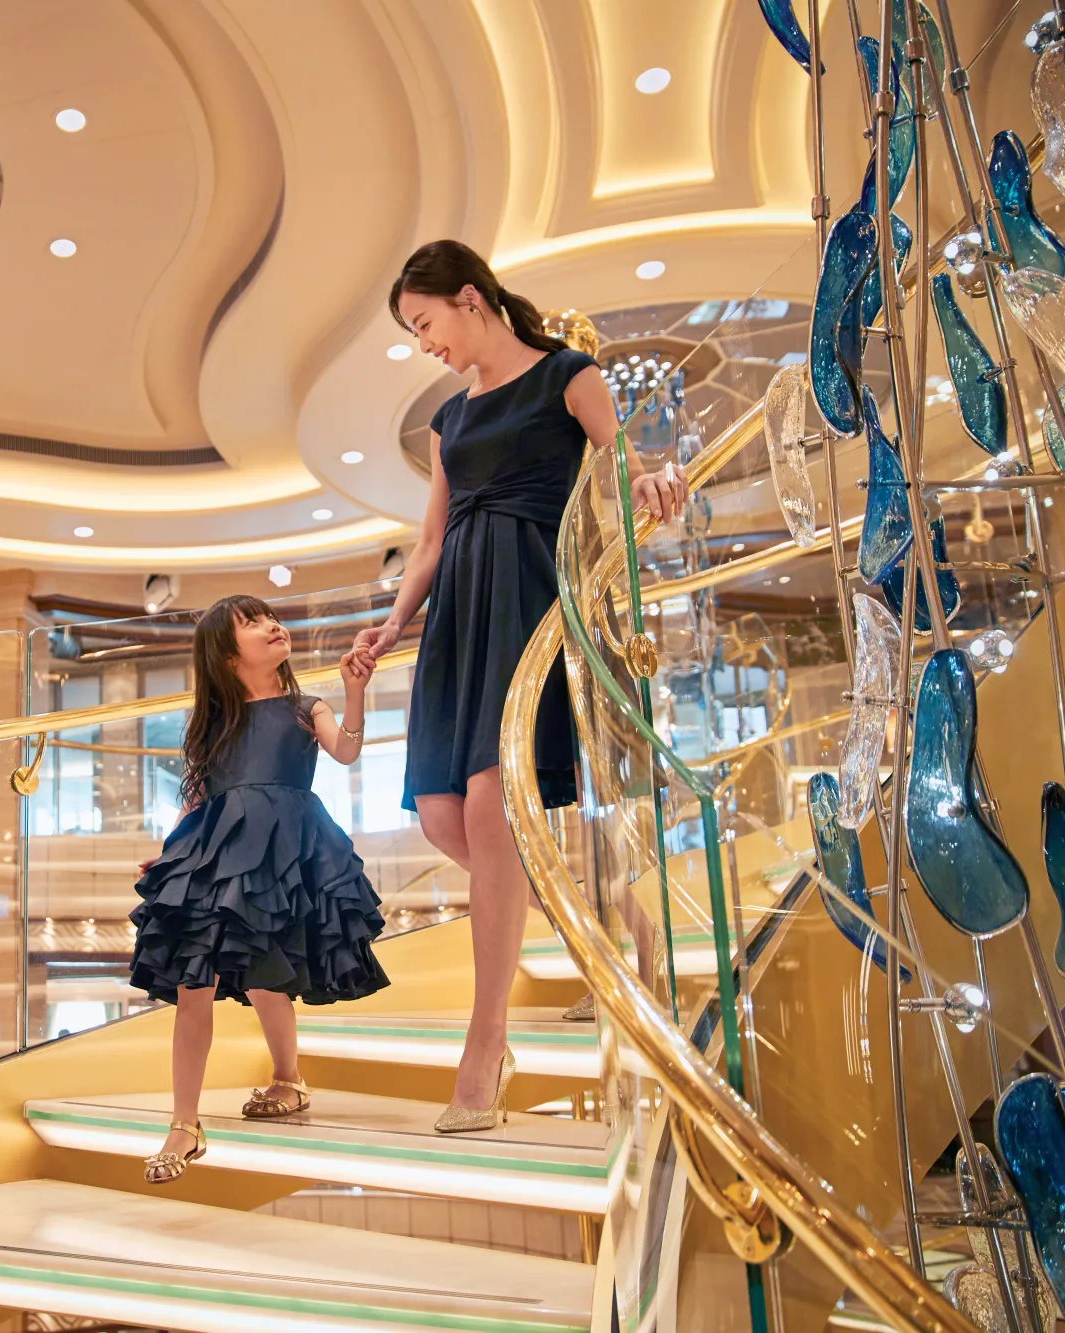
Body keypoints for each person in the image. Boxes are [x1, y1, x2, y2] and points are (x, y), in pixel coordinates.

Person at [351, 240, 688, 1133]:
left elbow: (620, 471)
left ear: (471, 298)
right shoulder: (448, 421)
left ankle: (487, 1043)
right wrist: (394, 622)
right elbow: (431, 539)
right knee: (442, 817)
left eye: (426, 322)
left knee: (492, 808)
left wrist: (655, 476)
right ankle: (616, 928)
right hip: (459, 617)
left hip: (530, 604)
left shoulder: (569, 377)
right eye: (414, 331)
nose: (425, 343)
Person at [129, 595, 389, 1184]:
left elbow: (346, 751)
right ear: (226, 655)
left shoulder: (305, 707)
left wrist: (354, 692)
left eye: (271, 617)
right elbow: (198, 799)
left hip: (286, 849)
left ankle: (289, 1079)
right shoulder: (211, 725)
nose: (272, 626)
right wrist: (172, 855)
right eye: (252, 623)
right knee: (195, 981)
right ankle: (184, 1123)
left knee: (270, 974)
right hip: (220, 853)